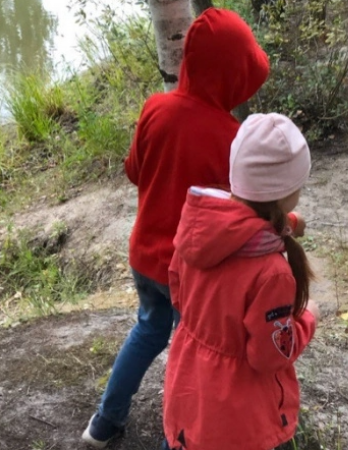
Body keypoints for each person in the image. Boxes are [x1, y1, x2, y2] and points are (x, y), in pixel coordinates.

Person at [83, 9, 305, 448]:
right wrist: (290, 223)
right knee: (199, 357)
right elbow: (245, 214)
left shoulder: (155, 108)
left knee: (148, 330)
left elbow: (134, 171)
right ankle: (180, 439)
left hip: (145, 256)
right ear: (232, 78)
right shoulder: (231, 138)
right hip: (195, 271)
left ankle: (104, 424)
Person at [162, 113, 319, 450]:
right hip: (236, 417)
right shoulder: (272, 273)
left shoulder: (197, 230)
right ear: (285, 193)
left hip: (189, 389)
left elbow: (177, 289)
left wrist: (288, 222)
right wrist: (305, 320)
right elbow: (270, 355)